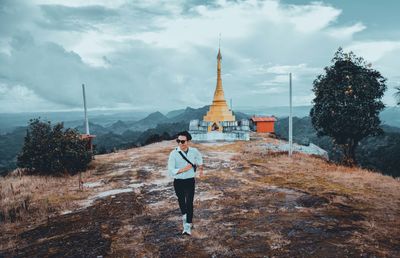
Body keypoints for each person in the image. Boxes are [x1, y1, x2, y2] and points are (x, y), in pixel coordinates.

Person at [168, 131, 203, 235]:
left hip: (190, 181)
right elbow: (171, 169)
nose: (180, 143)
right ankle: (184, 215)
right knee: (181, 201)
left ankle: (187, 225)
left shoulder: (194, 151)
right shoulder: (173, 153)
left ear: (188, 141)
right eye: (178, 141)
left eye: (182, 141)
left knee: (189, 202)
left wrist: (201, 169)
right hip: (178, 181)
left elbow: (199, 158)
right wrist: (183, 169)